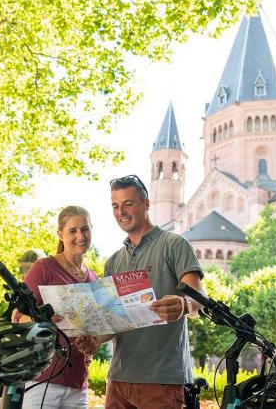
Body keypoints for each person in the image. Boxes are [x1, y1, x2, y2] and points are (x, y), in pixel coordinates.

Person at [75, 174, 204, 409]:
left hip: (161, 380)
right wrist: (94, 340)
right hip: (118, 379)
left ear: (146, 204)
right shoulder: (113, 262)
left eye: (128, 203)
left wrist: (185, 305)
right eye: (115, 206)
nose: (121, 211)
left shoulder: (174, 244)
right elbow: (111, 322)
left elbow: (200, 301)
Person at [13, 206, 98, 409]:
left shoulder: (94, 279)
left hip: (78, 384)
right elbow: (17, 317)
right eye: (73, 230)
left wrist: (94, 342)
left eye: (85, 229)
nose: (80, 236)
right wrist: (41, 321)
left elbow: (95, 329)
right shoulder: (44, 268)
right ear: (60, 234)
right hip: (42, 382)